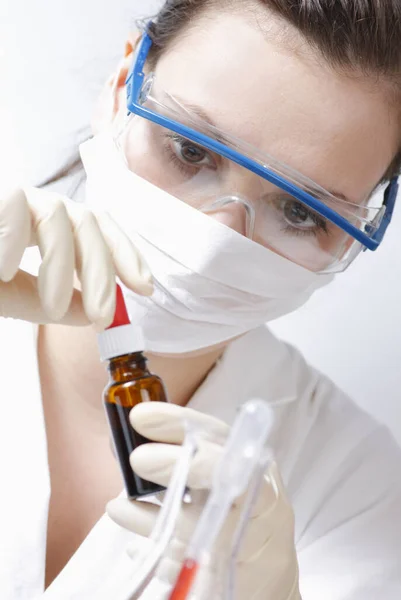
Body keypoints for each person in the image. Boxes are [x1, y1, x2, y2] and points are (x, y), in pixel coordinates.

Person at [1, 0, 401, 598]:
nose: (214, 245)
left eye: (298, 211)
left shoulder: (358, 487)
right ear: (121, 85)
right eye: (190, 151)